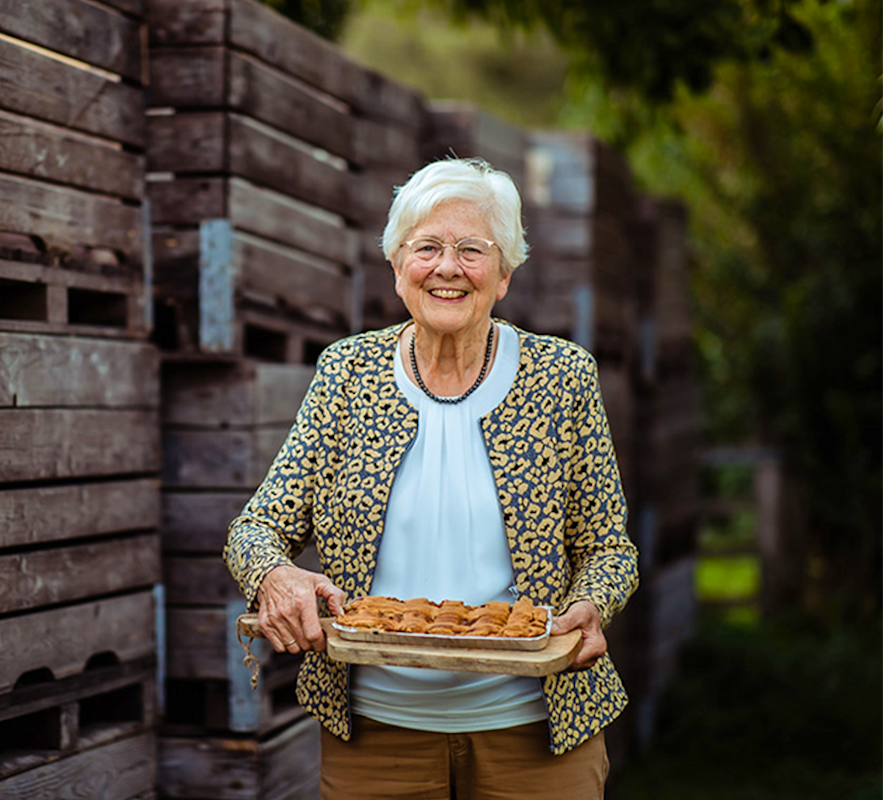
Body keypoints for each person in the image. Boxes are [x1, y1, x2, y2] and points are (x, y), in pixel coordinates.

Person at [223, 157, 638, 799]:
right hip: (377, 737)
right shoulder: (348, 375)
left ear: (503, 275)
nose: (448, 267)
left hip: (536, 734)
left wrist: (593, 603)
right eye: (427, 248)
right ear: (397, 267)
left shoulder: (562, 378)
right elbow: (255, 530)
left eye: (472, 249)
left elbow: (609, 547)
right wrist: (275, 576)